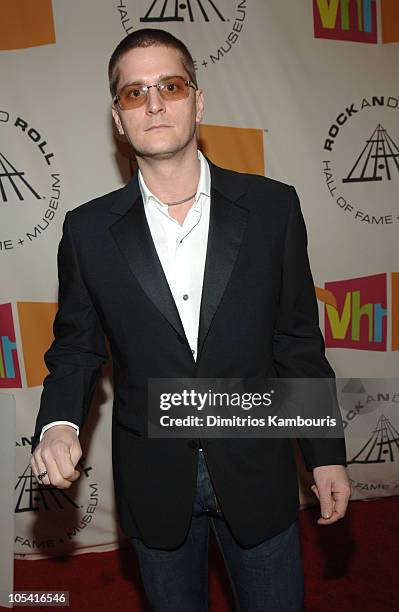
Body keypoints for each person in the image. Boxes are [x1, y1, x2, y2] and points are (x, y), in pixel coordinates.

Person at [31, 28, 351, 611]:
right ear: (118, 117)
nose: (153, 103)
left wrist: (325, 452)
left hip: (257, 468)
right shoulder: (86, 230)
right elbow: (77, 350)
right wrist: (59, 424)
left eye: (170, 85)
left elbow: (297, 340)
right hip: (154, 480)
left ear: (197, 100)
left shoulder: (273, 208)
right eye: (134, 93)